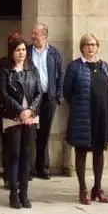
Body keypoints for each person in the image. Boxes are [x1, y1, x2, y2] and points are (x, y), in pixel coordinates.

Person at [63, 33, 108, 205]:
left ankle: (97, 188)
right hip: (82, 116)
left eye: (93, 44)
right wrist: (80, 105)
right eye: (87, 45)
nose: (90, 48)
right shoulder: (75, 67)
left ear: (97, 47)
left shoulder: (104, 66)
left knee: (99, 152)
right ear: (82, 47)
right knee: (81, 152)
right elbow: (67, 92)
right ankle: (83, 189)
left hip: (102, 116)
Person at [0, 39, 42, 209]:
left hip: (31, 117)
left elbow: (39, 92)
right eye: (17, 50)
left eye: (23, 49)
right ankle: (13, 194)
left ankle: (24, 193)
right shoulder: (5, 70)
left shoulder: (32, 69)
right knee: (14, 155)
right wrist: (20, 111)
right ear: (11, 52)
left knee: (26, 155)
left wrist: (30, 110)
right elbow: (3, 95)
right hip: (12, 116)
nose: (21, 53)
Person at [28, 23, 65, 179]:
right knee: (30, 133)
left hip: (49, 98)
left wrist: (58, 96)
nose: (33, 36)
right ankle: (28, 168)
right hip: (31, 98)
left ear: (44, 35)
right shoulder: (27, 52)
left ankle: (42, 167)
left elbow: (61, 74)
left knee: (44, 133)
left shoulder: (54, 53)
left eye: (36, 33)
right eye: (32, 33)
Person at [0, 32, 22, 190]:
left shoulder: (27, 64)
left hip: (25, 112)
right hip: (7, 108)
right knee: (7, 146)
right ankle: (8, 177)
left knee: (21, 148)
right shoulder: (2, 63)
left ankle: (20, 177)